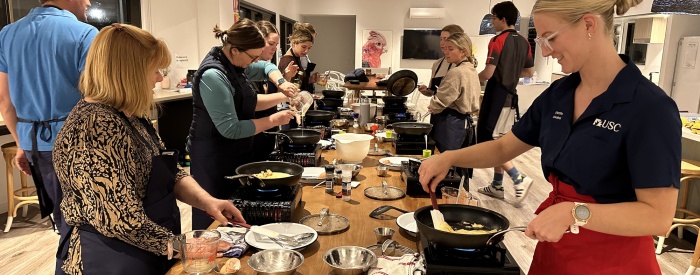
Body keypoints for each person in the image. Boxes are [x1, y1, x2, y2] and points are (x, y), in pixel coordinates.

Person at [419, 0, 680, 273]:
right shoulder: (559, 94)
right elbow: (503, 148)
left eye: (550, 38)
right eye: (540, 39)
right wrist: (449, 158)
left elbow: (657, 216)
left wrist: (573, 212)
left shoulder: (649, 107)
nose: (544, 50)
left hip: (612, 261)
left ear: (589, 24)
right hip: (555, 250)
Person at [52, 23, 245, 275]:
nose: (158, 78)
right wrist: (184, 246)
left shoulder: (129, 115)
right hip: (108, 259)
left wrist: (208, 202)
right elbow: (118, 219)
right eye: (154, 69)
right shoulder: (94, 127)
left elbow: (169, 171)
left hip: (145, 248)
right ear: (128, 72)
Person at [0, 2, 97, 268]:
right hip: (79, 144)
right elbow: (96, 98)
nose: (88, 2)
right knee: (83, 225)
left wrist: (21, 143)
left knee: (63, 217)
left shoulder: (7, 33)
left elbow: (4, 100)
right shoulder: (85, 34)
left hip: (34, 142)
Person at [187, 19, 296, 230]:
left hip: (233, 150)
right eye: (252, 56)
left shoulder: (236, 64)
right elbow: (231, 128)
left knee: (234, 212)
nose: (255, 61)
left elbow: (266, 67)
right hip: (213, 156)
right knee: (213, 220)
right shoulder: (213, 75)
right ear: (235, 50)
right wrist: (273, 120)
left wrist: (281, 83)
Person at [476, 1, 535, 205]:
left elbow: (488, 73)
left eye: (493, 18)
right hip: (511, 97)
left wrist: (471, 78)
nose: (492, 22)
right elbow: (529, 72)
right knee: (500, 140)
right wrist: (510, 75)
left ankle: (518, 177)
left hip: (496, 97)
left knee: (490, 143)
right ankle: (497, 186)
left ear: (503, 18)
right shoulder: (525, 42)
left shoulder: (497, 41)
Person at [249, 20, 299, 162]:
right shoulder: (248, 68)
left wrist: (286, 78)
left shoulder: (269, 67)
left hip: (269, 128)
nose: (275, 48)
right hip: (254, 131)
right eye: (271, 44)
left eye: (276, 45)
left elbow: (274, 91)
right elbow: (255, 102)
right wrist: (287, 97)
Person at [424, 32, 480, 154]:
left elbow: (441, 100)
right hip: (465, 124)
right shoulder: (471, 69)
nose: (446, 52)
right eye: (446, 48)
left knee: (445, 161)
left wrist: (433, 106)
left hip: (450, 125)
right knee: (459, 163)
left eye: (450, 49)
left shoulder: (456, 72)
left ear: (463, 52)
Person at [279, 23, 318, 93]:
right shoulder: (287, 60)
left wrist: (310, 79)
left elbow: (298, 81)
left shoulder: (297, 57)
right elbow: (288, 90)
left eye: (309, 48)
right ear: (294, 43)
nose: (306, 51)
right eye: (303, 47)